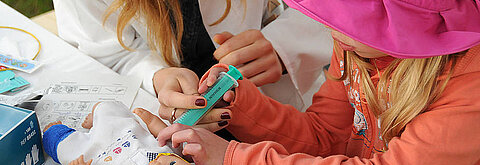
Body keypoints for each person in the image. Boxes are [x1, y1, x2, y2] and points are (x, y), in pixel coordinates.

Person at [155, 0, 480, 165]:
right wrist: (240, 105)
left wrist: (235, 162)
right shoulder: (357, 46)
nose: (329, 23)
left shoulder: (469, 84)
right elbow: (326, 135)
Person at [53, 0, 333, 129]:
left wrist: (285, 45)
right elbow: (104, 50)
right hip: (173, 129)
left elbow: (350, 10)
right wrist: (156, 77)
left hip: (283, 113)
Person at [42, 101, 201, 165]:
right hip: (121, 131)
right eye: (172, 164)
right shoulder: (169, 154)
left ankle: (57, 133)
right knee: (106, 107)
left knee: (60, 143)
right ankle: (96, 120)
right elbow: (164, 135)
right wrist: (151, 121)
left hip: (93, 156)